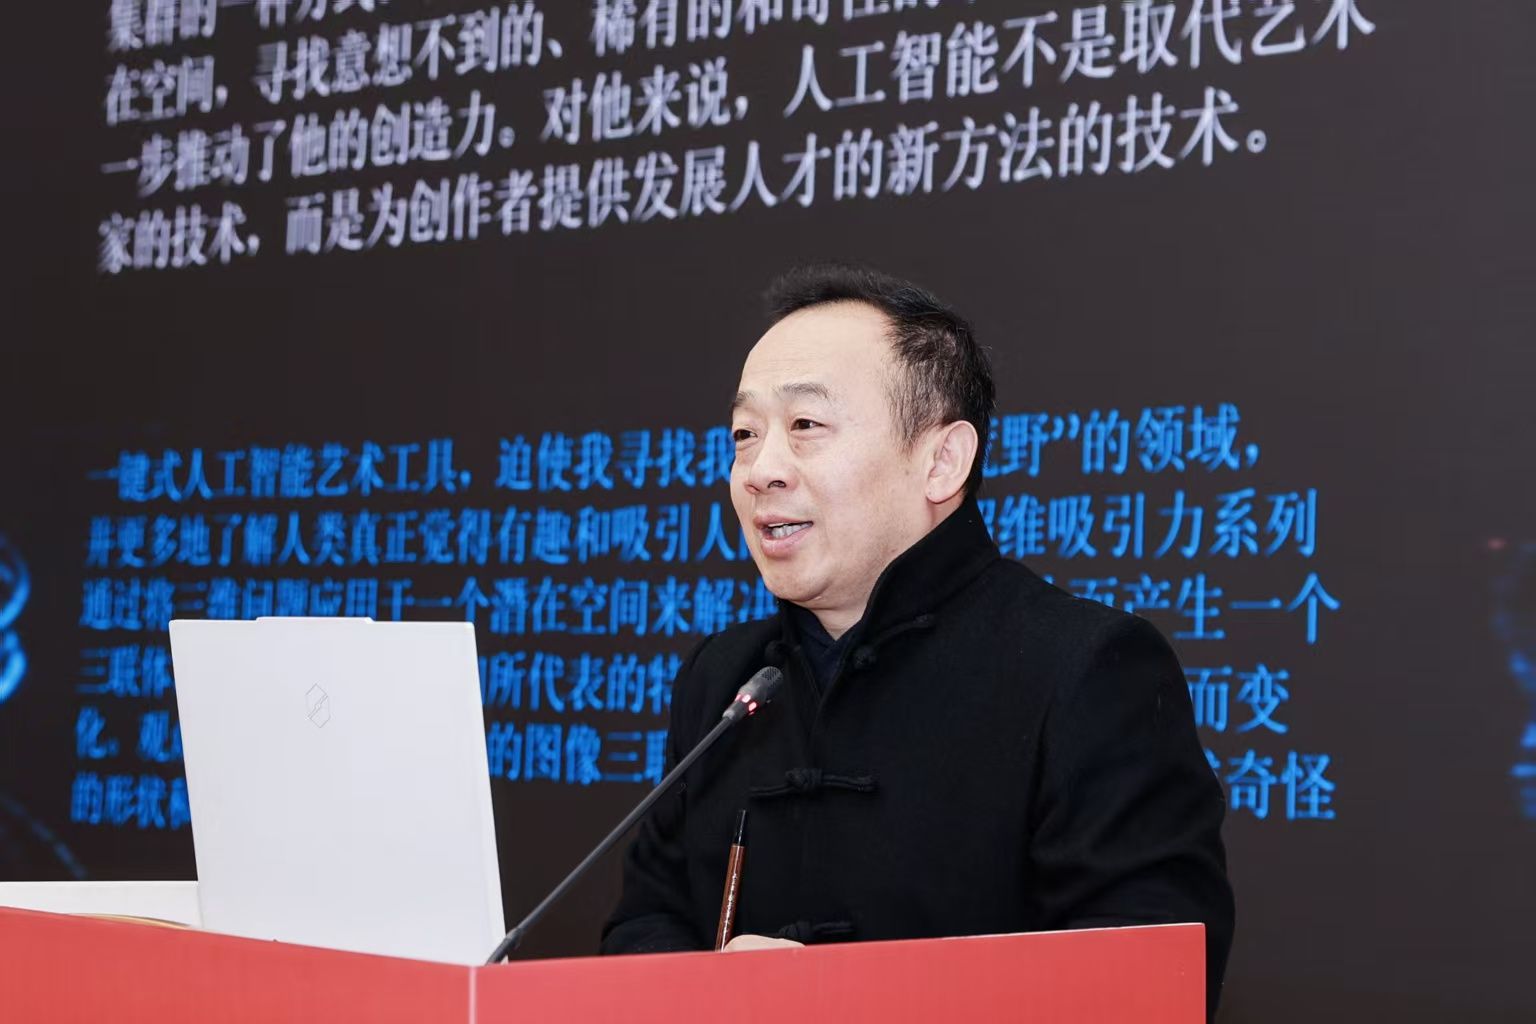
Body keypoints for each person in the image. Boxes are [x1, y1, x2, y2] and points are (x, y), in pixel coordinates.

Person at [601, 262, 1234, 1018]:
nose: (760, 470)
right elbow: (646, 919)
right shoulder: (724, 677)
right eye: (745, 434)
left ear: (941, 461)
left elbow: (1144, 986)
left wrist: (841, 1002)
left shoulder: (1086, 669)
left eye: (806, 427)